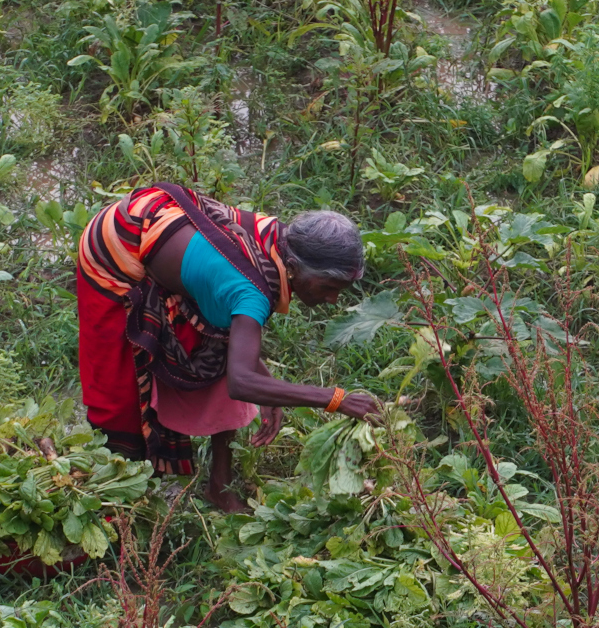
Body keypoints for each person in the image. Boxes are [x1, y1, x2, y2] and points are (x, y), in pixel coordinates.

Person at [76, 182, 380, 511]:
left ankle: (219, 486)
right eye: (329, 286)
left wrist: (265, 381)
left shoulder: (276, 239)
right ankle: (110, 491)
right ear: (291, 268)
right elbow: (241, 382)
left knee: (218, 351)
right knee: (119, 387)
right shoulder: (250, 290)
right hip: (115, 245)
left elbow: (239, 353)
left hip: (164, 227)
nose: (333, 299)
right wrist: (336, 399)